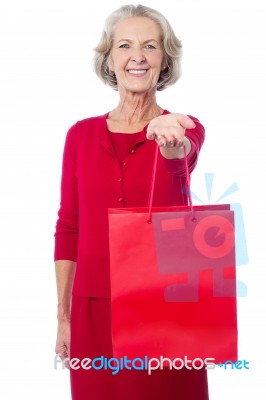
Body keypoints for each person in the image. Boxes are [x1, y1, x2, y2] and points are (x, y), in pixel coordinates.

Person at [54, 4, 208, 400]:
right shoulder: (80, 136)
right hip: (93, 311)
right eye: (124, 45)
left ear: (165, 59)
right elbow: (69, 227)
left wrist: (171, 141)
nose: (137, 56)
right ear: (109, 59)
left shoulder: (185, 126)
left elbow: (182, 160)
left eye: (150, 46)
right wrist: (63, 317)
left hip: (167, 308)